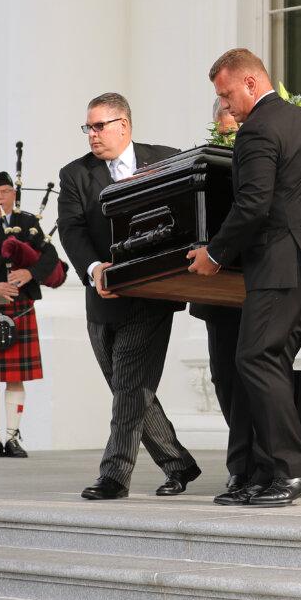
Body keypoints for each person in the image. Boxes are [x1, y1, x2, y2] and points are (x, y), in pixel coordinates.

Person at [188, 48, 301, 507]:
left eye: (226, 96)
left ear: (250, 83)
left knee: (254, 360)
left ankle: (293, 470)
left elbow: (253, 205)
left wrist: (215, 254)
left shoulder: (257, 130)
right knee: (272, 362)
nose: (226, 107)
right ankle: (265, 470)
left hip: (278, 265)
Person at [58, 92, 200, 500]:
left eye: (99, 126)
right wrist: (93, 269)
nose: (92, 135)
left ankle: (114, 477)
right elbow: (72, 229)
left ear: (124, 125)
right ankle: (178, 463)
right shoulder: (75, 174)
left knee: (129, 386)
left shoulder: (167, 159)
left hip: (152, 294)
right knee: (131, 388)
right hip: (102, 297)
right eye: (88, 127)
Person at [188, 99, 266, 499]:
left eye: (235, 126)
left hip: (254, 282)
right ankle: (245, 459)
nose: (229, 132)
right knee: (224, 377)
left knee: (248, 376)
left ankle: (243, 466)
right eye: (224, 127)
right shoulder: (211, 165)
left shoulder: (262, 158)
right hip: (219, 292)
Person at [0, 171, 61, 459]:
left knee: (16, 377)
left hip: (20, 307)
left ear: (14, 194)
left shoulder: (28, 223)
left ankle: (12, 437)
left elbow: (51, 257)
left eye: (6, 191)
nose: (1, 197)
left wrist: (30, 272)